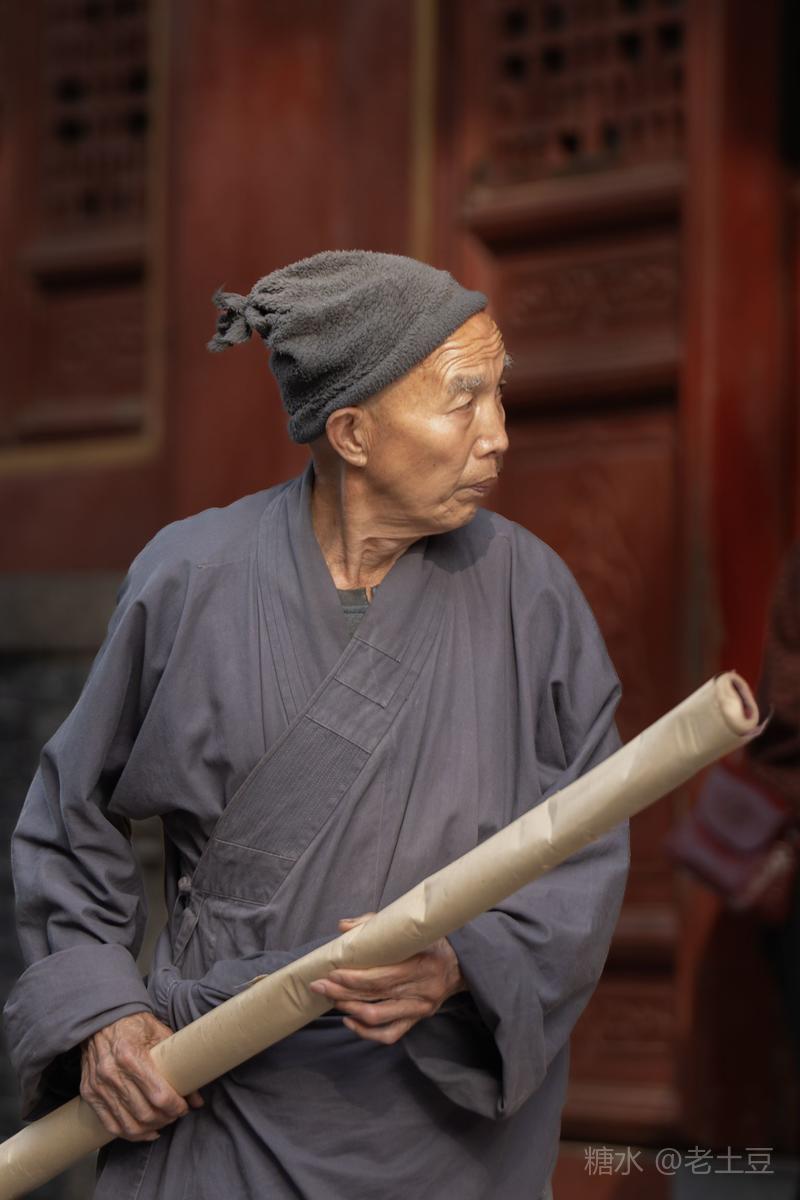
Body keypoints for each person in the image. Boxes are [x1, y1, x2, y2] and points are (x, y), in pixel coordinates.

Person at [4, 251, 629, 1200]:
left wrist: (464, 962)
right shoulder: (191, 578)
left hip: (443, 1132)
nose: (498, 435)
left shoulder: (529, 593)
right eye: (464, 401)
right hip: (220, 1098)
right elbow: (69, 817)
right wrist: (104, 1013)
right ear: (352, 432)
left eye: (500, 394)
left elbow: (590, 834)